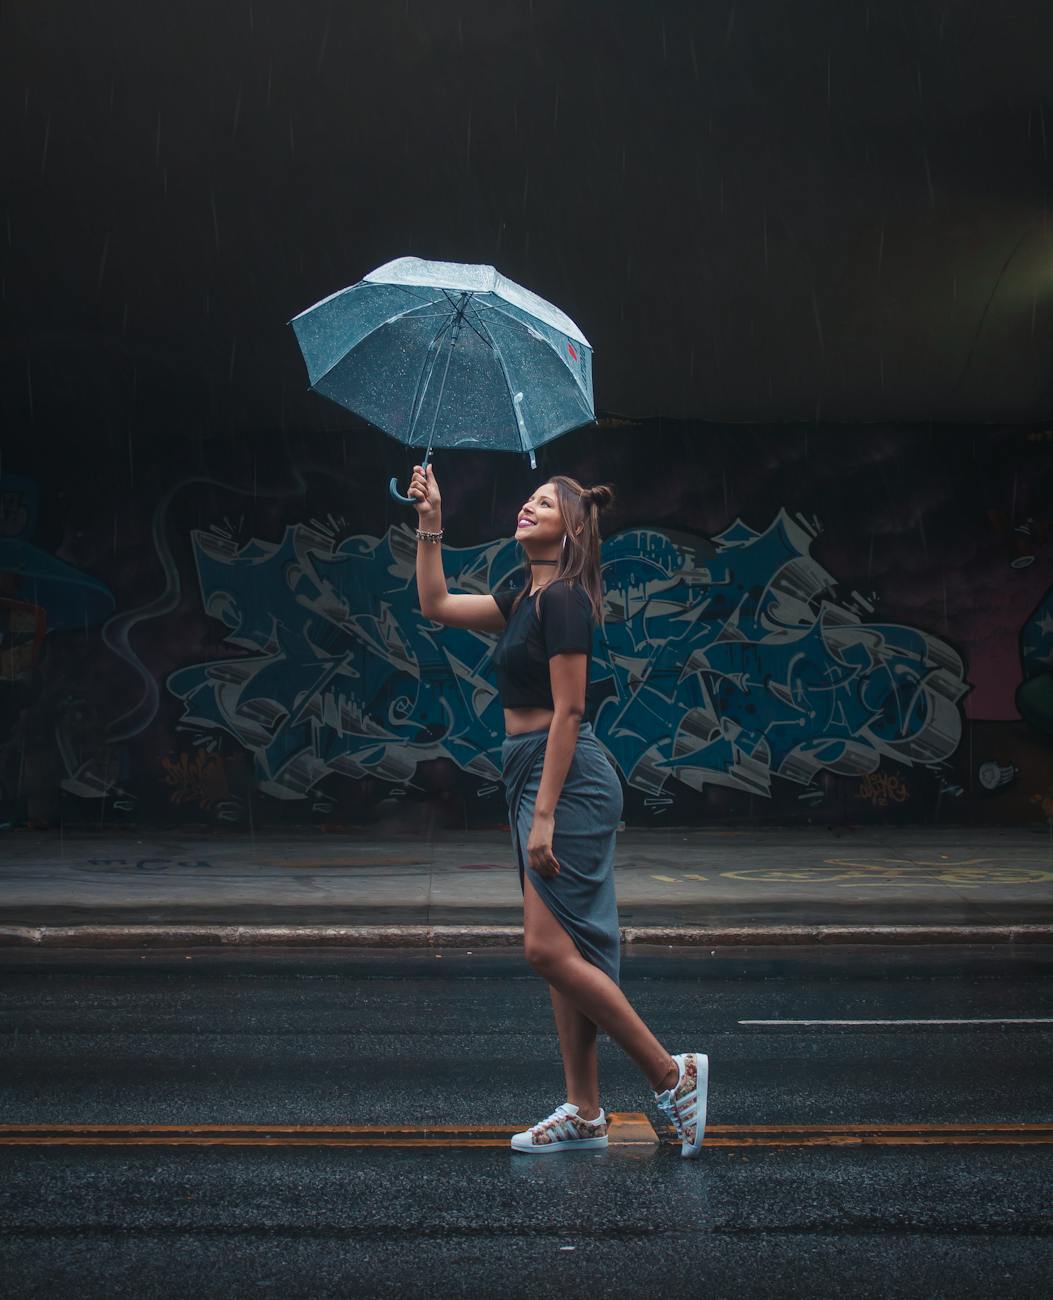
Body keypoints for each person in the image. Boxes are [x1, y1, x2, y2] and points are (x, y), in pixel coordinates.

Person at [408, 461, 708, 1158]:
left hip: (564, 776)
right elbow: (437, 607)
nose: (526, 507)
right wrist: (430, 524)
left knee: (545, 948)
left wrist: (543, 814)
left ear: (570, 529)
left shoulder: (566, 600)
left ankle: (672, 1073)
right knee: (561, 950)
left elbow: (570, 710)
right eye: (528, 499)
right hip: (530, 770)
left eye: (543, 504)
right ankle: (583, 1109)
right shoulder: (524, 597)